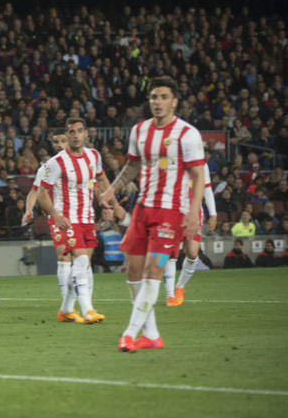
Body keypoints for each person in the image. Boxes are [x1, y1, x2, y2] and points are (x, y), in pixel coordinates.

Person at [101, 78, 207, 353]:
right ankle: (151, 334)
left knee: (154, 271)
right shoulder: (140, 131)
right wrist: (111, 190)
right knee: (133, 271)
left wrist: (193, 213)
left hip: (171, 213)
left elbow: (198, 175)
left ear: (174, 101)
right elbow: (132, 166)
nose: (157, 102)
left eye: (163, 97)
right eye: (153, 97)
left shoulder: (188, 134)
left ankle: (130, 333)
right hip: (143, 210)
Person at [35, 118, 109, 324]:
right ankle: (88, 310)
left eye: (79, 131)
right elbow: (42, 193)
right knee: (80, 259)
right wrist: (56, 215)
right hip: (67, 219)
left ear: (86, 134)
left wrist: (108, 203)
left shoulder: (94, 156)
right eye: (72, 132)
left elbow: (99, 180)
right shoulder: (56, 162)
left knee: (83, 265)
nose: (76, 135)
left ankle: (66, 309)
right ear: (67, 135)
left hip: (87, 218)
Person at [22, 131, 73, 314]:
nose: (59, 144)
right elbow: (35, 191)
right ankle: (67, 303)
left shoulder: (82, 162)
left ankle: (84, 300)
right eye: (56, 141)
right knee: (63, 253)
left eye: (63, 140)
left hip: (80, 215)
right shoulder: (47, 167)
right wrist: (29, 210)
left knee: (81, 257)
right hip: (57, 215)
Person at [163, 166, 218, 307]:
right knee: (171, 253)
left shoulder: (201, 164)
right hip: (173, 210)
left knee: (192, 253)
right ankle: (170, 295)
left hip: (194, 212)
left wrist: (213, 213)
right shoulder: (170, 159)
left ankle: (180, 287)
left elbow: (207, 187)